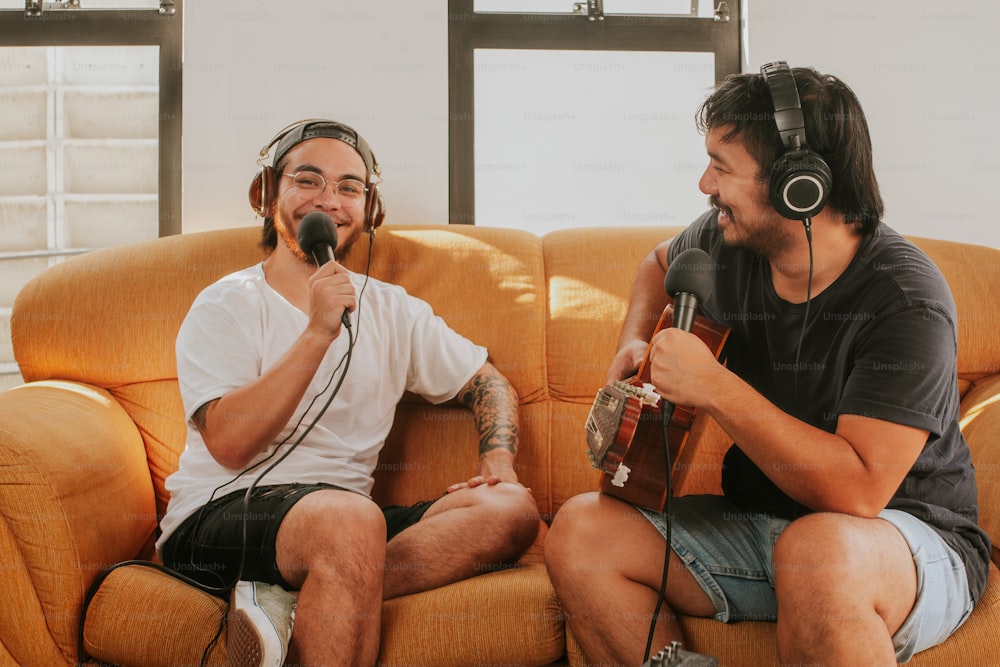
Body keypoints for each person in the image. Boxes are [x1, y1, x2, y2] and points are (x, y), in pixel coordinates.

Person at [544, 63, 990, 665]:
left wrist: (714, 386)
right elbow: (657, 265)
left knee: (817, 549)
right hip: (762, 524)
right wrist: (633, 341)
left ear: (799, 186)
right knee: (580, 532)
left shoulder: (905, 298)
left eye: (722, 167)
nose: (705, 183)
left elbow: (858, 491)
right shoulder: (729, 240)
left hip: (900, 538)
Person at [156, 119, 539, 666]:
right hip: (218, 515)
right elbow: (230, 445)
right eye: (307, 181)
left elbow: (486, 381)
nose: (328, 202)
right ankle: (328, 575)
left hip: (342, 526)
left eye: (349, 188)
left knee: (512, 510)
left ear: (370, 210)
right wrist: (317, 331)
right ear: (267, 195)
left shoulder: (391, 308)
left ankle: (296, 599)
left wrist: (498, 458)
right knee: (353, 520)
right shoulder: (226, 303)